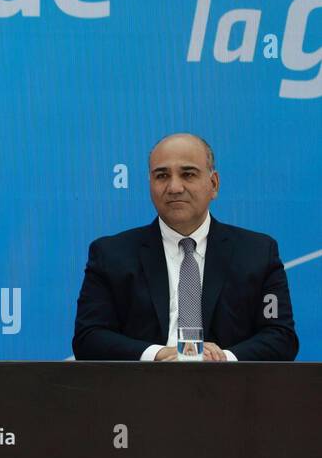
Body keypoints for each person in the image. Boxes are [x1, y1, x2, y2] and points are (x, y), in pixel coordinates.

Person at [73, 133, 297, 361]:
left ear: (214, 184)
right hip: (143, 388)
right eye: (162, 176)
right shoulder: (111, 254)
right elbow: (89, 337)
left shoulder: (257, 253)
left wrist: (222, 359)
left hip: (231, 389)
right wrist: (158, 354)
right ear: (150, 184)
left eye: (188, 174)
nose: (174, 187)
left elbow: (280, 336)